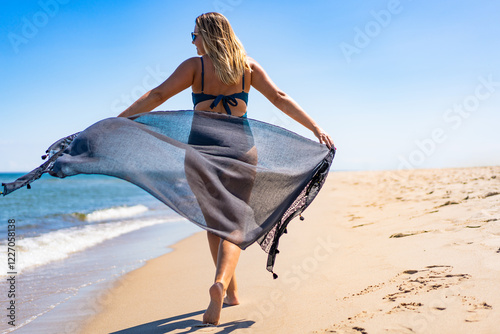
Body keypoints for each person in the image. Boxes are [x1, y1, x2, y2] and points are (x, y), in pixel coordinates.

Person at [117, 12, 334, 326]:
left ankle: (226, 290)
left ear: (207, 36)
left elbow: (158, 95)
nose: (192, 42)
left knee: (214, 223)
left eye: (194, 36)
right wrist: (315, 128)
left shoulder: (195, 67)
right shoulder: (247, 67)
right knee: (234, 222)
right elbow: (279, 97)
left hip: (201, 151)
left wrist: (119, 119)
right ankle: (224, 287)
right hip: (241, 151)